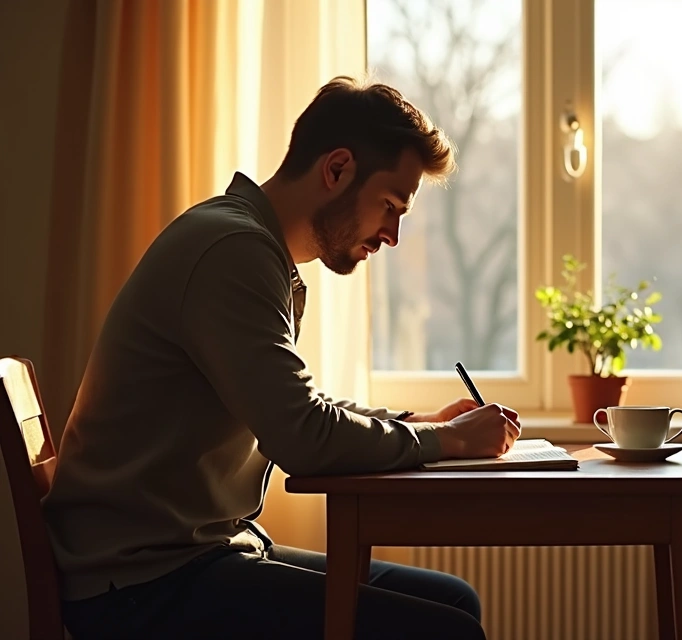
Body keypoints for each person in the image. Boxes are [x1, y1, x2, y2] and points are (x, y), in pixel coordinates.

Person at [40, 76, 519, 640]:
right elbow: (304, 436)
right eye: (390, 206)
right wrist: (455, 441)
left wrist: (421, 425)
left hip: (189, 557)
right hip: (143, 585)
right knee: (446, 630)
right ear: (336, 169)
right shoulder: (232, 252)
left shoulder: (250, 248)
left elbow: (296, 408)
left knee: (453, 600)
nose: (392, 235)